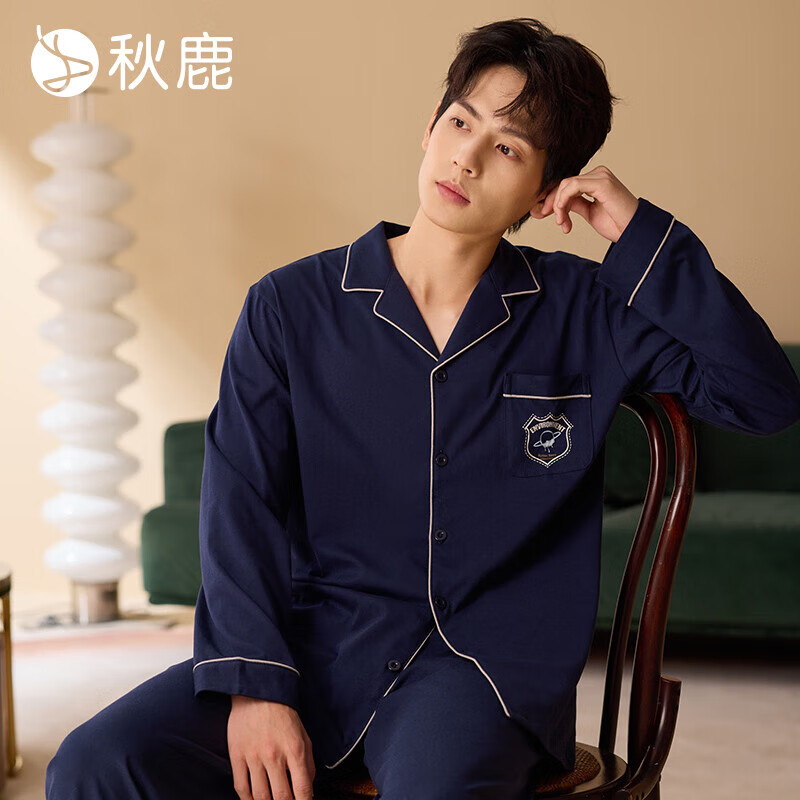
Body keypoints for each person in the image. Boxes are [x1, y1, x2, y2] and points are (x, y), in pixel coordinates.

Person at [46, 16, 800, 800]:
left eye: (508, 148)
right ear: (430, 128)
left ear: (545, 191)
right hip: (315, 649)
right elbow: (241, 505)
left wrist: (640, 235)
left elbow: (765, 396)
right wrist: (255, 685)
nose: (467, 158)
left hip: (479, 677)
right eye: (461, 123)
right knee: (95, 764)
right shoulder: (290, 307)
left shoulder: (586, 313)